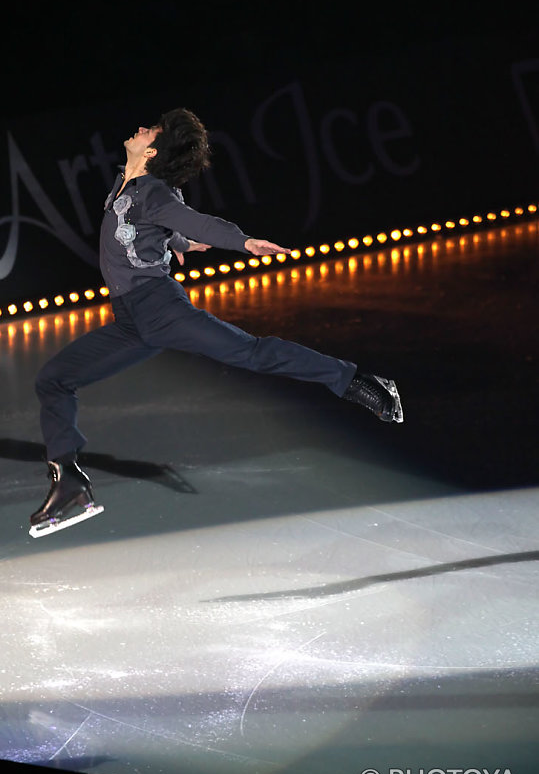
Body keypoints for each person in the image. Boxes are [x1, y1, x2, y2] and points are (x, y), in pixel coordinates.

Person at [29, 108, 403, 537]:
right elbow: (163, 227)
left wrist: (241, 241)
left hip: (160, 309)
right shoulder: (125, 182)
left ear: (152, 149)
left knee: (251, 352)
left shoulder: (154, 192)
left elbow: (195, 220)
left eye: (150, 129)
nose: (140, 127)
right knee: (54, 379)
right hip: (130, 321)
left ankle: (359, 383)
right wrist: (179, 242)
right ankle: (69, 481)